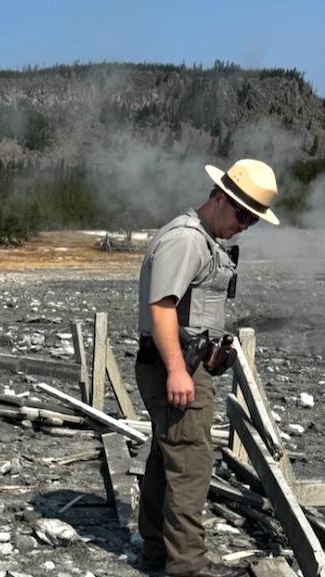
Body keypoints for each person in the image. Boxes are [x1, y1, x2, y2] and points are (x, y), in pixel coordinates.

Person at [135, 159, 279, 577]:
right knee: (192, 464)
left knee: (168, 458)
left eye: (253, 219)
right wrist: (178, 371)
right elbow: (162, 308)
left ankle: (158, 554)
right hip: (175, 364)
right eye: (242, 214)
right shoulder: (187, 240)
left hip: (182, 360)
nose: (245, 225)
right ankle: (187, 567)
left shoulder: (203, 239)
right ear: (219, 197)